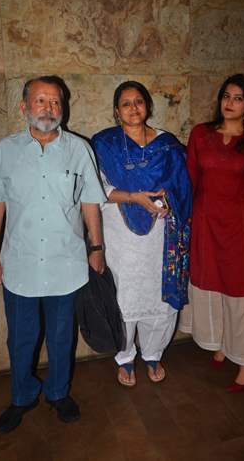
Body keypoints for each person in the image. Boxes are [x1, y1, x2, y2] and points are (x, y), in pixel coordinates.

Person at [0, 76, 106, 433]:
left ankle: (58, 393)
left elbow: (90, 202)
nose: (48, 109)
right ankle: (22, 397)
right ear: (24, 107)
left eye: (55, 102)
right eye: (40, 101)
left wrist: (96, 247)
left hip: (67, 263)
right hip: (20, 263)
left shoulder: (79, 149)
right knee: (20, 337)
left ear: (62, 108)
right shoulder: (5, 151)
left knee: (63, 336)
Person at [179, 74, 244, 392]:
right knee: (213, 284)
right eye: (227, 95)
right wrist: (187, 217)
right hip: (208, 222)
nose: (230, 102)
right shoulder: (201, 133)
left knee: (243, 290)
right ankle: (224, 341)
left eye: (238, 98)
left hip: (242, 227)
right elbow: (191, 176)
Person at [92, 81, 192, 387]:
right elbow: (94, 188)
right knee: (125, 293)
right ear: (116, 110)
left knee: (157, 294)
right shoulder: (103, 143)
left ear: (147, 106)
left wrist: (168, 195)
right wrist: (133, 197)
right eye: (126, 103)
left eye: (139, 102)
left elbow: (185, 185)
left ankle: (153, 352)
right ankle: (124, 357)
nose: (133, 108)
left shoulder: (167, 144)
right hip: (120, 234)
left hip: (160, 231)